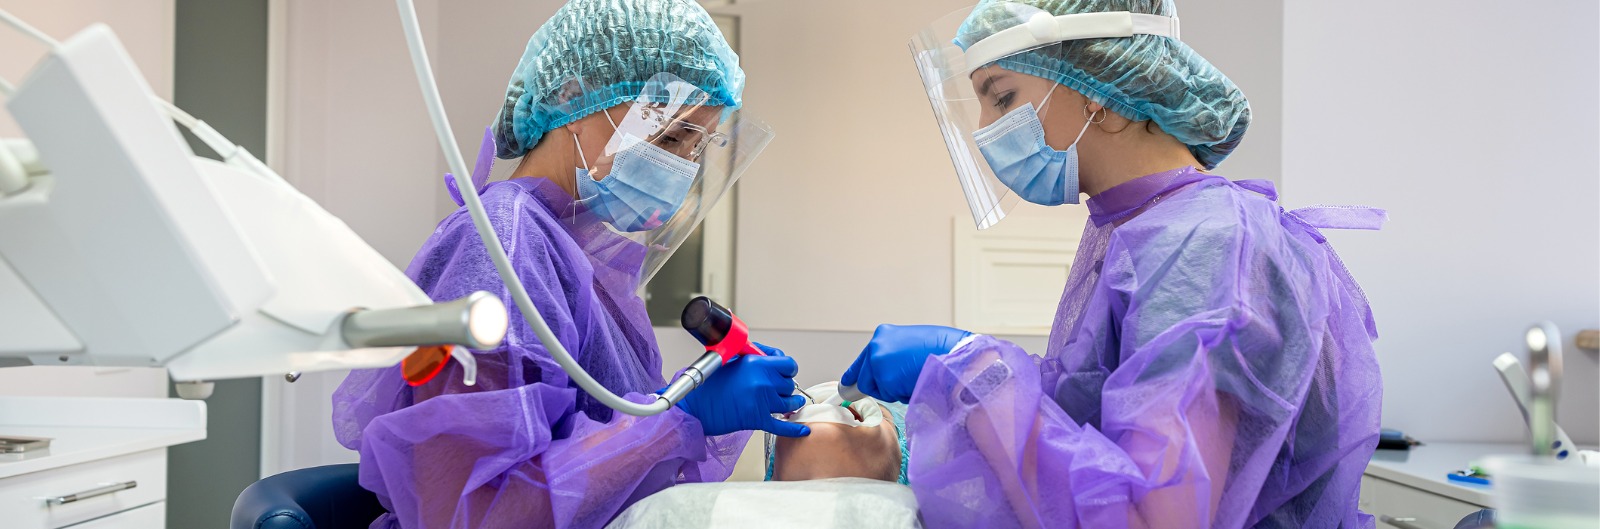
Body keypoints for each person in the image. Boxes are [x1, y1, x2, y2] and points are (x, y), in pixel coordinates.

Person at [842, 1, 1387, 527]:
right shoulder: (1144, 227)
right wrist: (976, 371)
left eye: (1002, 97)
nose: (985, 129)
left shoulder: (1204, 243)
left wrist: (974, 370)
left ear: (1097, 92)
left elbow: (1152, 516)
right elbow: (1097, 406)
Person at [331, 1, 806, 527]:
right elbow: (469, 511)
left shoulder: (575, 250)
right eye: (671, 137)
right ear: (573, 97)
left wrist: (681, 402)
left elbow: (594, 444)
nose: (680, 167)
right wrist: (677, 418)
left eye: (696, 148)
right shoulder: (502, 249)